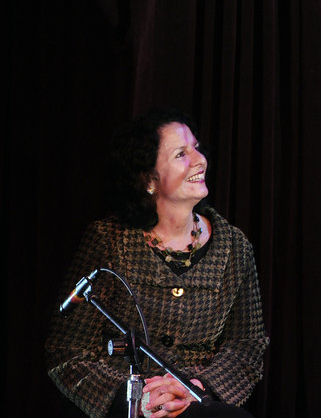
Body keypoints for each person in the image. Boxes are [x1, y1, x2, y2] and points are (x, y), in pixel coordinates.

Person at [46, 108, 268, 418]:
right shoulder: (109, 240)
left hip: (195, 402)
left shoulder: (234, 246)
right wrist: (140, 399)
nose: (200, 160)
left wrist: (193, 387)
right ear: (149, 179)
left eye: (197, 148)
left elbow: (247, 344)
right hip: (123, 402)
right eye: (181, 154)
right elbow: (68, 351)